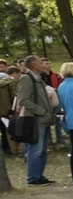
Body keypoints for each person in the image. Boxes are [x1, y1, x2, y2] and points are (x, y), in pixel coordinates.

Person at [15, 54, 58, 185]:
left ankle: (39, 175)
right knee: (36, 150)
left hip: (44, 119)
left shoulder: (38, 78)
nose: (43, 65)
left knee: (42, 151)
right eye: (40, 62)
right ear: (34, 65)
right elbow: (24, 100)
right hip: (35, 120)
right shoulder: (26, 78)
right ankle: (33, 177)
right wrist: (41, 111)